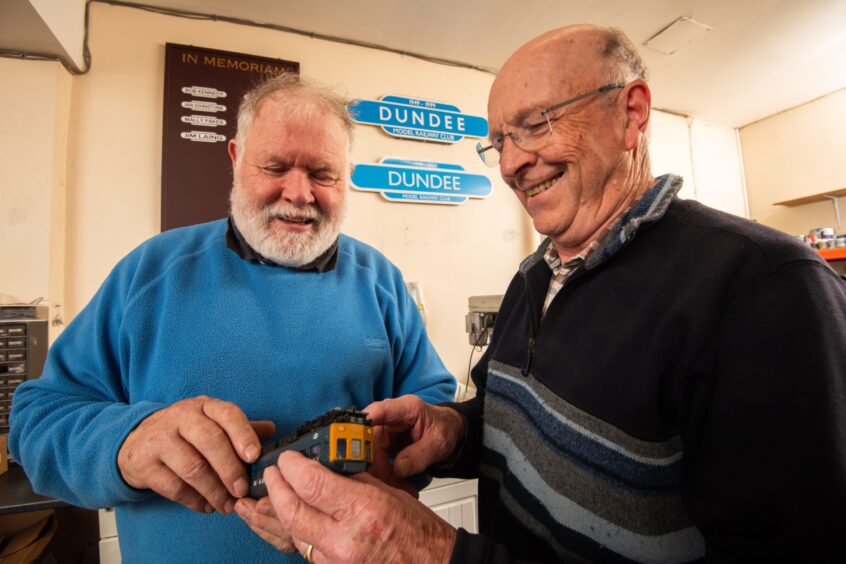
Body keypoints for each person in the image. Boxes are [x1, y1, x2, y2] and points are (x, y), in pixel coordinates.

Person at [245, 25, 846, 563]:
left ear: (632, 112)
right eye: (499, 139)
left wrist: (436, 552)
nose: (511, 162)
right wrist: (453, 429)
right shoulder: (534, 277)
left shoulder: (764, 287)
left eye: (536, 124)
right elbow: (506, 416)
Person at [8, 72, 456, 563]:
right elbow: (38, 420)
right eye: (276, 166)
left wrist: (394, 463)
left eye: (322, 173)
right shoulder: (152, 271)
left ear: (345, 174)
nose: (299, 193)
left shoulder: (381, 280)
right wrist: (126, 443)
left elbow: (431, 405)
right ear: (236, 159)